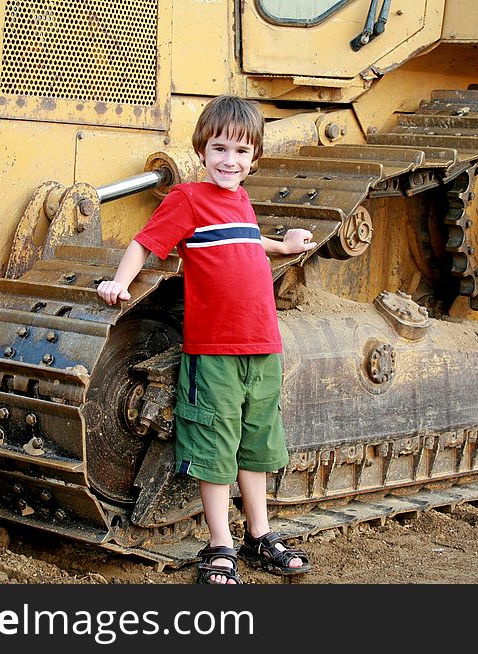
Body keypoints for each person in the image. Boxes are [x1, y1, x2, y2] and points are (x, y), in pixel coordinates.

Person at [97, 94, 315, 584]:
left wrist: (282, 244)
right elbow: (144, 242)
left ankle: (260, 533)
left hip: (262, 348)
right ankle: (220, 544)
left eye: (240, 152)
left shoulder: (239, 200)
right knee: (216, 446)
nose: (228, 160)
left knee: (255, 444)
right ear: (201, 151)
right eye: (219, 148)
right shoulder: (188, 200)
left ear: (254, 158)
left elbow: (245, 239)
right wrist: (120, 282)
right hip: (214, 351)